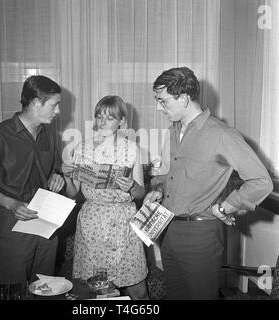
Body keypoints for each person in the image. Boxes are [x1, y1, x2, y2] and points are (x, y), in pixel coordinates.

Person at [144, 67, 273, 300]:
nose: (159, 108)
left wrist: (225, 207)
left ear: (183, 99)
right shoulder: (174, 131)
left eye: (163, 101)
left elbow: (261, 181)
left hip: (200, 236)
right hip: (168, 230)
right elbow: (173, 175)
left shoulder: (222, 134)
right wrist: (160, 189)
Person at [0, 75, 65, 285]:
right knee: (14, 290)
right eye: (55, 105)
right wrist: (11, 203)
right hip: (11, 221)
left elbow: (56, 169)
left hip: (46, 221)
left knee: (45, 287)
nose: (58, 111)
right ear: (36, 103)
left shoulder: (49, 134)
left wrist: (57, 176)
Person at [62, 95, 149, 300]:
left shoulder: (132, 149)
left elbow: (141, 193)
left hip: (124, 222)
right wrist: (67, 176)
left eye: (109, 118)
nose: (103, 122)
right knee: (95, 291)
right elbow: (72, 193)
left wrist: (132, 186)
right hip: (93, 221)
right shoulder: (82, 148)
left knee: (138, 290)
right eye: (99, 117)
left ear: (121, 122)